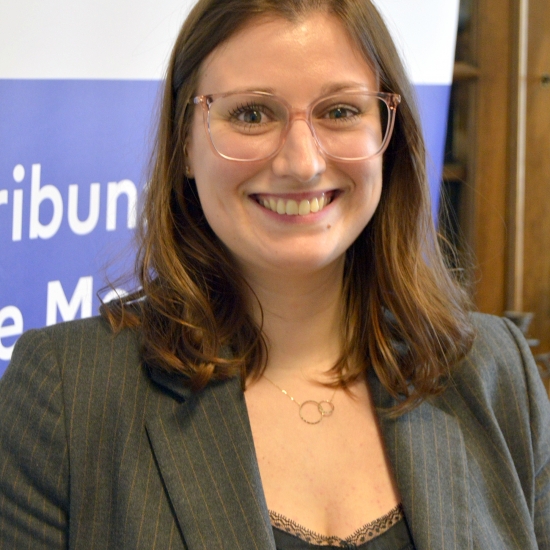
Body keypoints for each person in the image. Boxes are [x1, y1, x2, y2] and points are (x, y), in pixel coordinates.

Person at [1, 0, 549, 548]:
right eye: (251, 114)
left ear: (389, 131)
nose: (302, 164)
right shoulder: (66, 392)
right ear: (185, 143)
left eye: (340, 110)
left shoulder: (496, 373)